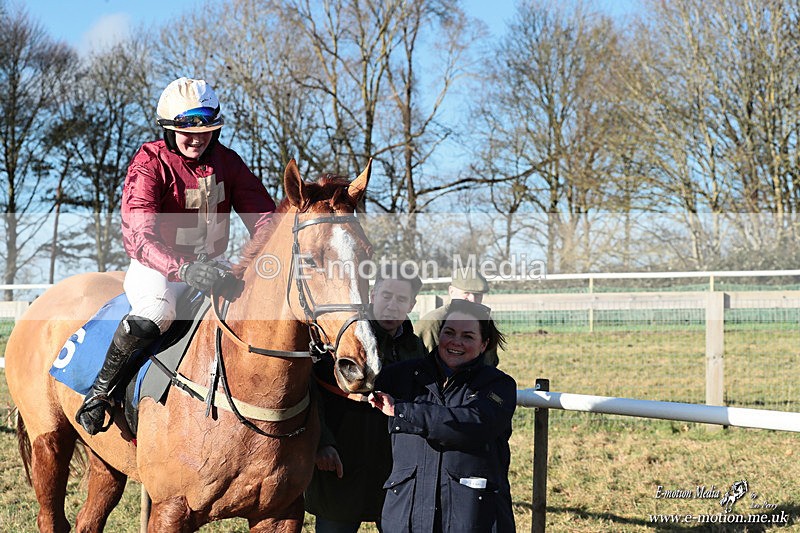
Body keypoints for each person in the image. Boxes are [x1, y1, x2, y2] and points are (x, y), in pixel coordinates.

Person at [75, 77, 276, 435]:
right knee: (157, 313)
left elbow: (264, 220)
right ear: (167, 129)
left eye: (208, 130)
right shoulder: (149, 162)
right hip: (158, 269)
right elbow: (139, 235)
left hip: (210, 264)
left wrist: (258, 260)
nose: (198, 139)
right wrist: (182, 269)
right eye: (187, 132)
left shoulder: (229, 163)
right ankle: (100, 394)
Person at [369, 299, 516, 532]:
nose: (456, 342)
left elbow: (473, 424)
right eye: (449, 332)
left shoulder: (498, 386)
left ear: (484, 344)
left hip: (472, 518)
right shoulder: (399, 377)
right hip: (406, 513)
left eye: (468, 336)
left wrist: (402, 410)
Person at [305, 265, 427, 532]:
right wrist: (322, 442)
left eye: (401, 299)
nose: (392, 305)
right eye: (386, 296)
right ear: (372, 295)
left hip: (394, 471)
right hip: (341, 463)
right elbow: (313, 392)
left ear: (412, 303)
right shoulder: (342, 340)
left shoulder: (416, 348)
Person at [416, 266, 500, 366]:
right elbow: (423, 363)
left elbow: (490, 361)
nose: (472, 299)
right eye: (466, 293)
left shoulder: (484, 322)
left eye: (477, 295)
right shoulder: (433, 322)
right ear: (451, 291)